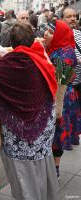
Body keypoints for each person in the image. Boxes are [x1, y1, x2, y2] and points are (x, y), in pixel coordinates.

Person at [0, 22, 59, 200]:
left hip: (16, 132)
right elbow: (52, 87)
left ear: (11, 42)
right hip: (41, 131)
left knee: (21, 177)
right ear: (31, 39)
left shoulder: (3, 66)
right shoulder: (41, 59)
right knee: (41, 170)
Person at [42, 20, 77, 179]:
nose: (45, 34)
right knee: (52, 133)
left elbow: (59, 80)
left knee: (57, 134)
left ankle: (55, 169)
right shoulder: (54, 48)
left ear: (59, 35)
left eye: (50, 32)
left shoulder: (66, 53)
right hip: (54, 96)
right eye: (46, 31)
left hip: (62, 98)